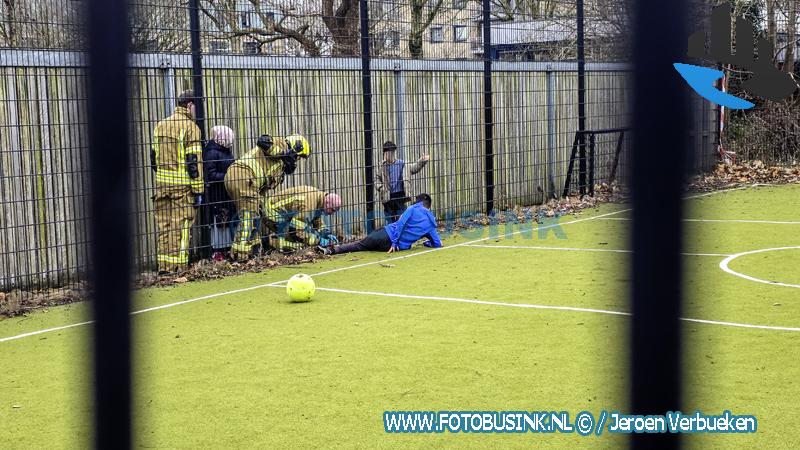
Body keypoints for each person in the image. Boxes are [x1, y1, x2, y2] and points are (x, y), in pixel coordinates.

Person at [224, 134, 310, 260]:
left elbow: (263, 188)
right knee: (249, 218)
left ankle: (254, 252)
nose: (296, 161)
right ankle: (239, 256)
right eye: (298, 157)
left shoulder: (280, 167)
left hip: (246, 181)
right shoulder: (281, 143)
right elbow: (262, 141)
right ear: (295, 148)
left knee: (256, 216)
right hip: (243, 176)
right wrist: (283, 153)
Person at [150, 90, 204, 273]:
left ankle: (164, 266)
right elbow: (194, 163)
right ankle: (179, 267)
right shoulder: (191, 128)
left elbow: (154, 158)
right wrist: (198, 190)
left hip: (161, 185)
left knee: (164, 225)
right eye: (197, 105)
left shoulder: (161, 125)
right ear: (189, 105)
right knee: (181, 227)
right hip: (183, 187)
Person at [320, 193, 441, 255]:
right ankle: (331, 250)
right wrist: (427, 242)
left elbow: (400, 224)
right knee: (362, 246)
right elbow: (437, 243)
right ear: (428, 206)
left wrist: (394, 241)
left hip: (385, 235)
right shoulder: (431, 224)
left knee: (359, 245)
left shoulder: (412, 209)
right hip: (392, 248)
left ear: (418, 202)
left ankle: (331, 251)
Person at [263, 185, 342, 252]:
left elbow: (316, 219)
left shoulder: (319, 198)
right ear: (327, 202)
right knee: (300, 246)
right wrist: (318, 241)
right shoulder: (309, 205)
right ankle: (269, 241)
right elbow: (297, 230)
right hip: (272, 212)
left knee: (304, 238)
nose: (332, 213)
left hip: (282, 213)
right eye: (332, 210)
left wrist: (326, 233)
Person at [203, 125, 236, 261]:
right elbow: (210, 175)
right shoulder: (211, 152)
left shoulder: (226, 150)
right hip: (216, 194)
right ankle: (216, 251)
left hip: (226, 193)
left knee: (227, 223)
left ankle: (227, 249)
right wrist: (227, 177)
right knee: (217, 224)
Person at [375, 140, 430, 223]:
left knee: (402, 218)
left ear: (394, 153)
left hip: (400, 195)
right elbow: (376, 179)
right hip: (387, 196)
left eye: (390, 153)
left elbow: (414, 168)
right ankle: (393, 234)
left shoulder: (402, 164)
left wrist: (422, 161)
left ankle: (401, 233)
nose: (387, 156)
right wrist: (380, 187)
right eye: (386, 153)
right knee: (390, 219)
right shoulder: (381, 166)